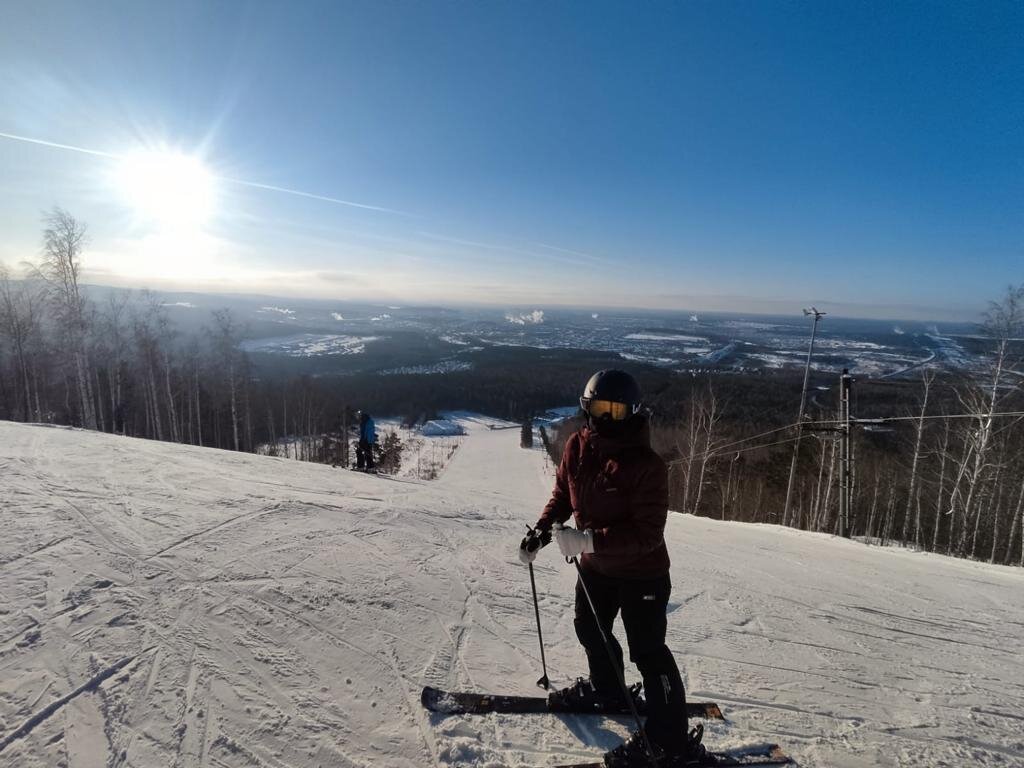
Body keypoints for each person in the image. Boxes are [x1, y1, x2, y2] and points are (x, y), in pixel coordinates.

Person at [518, 369, 703, 767]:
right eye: (599, 408)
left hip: (643, 573)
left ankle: (670, 741)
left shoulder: (647, 465)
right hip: (597, 569)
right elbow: (563, 497)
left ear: (632, 412)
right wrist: (541, 532)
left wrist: (588, 540)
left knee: (649, 653)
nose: (606, 418)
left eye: (616, 410)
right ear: (587, 408)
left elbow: (647, 534)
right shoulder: (577, 446)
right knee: (590, 628)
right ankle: (609, 689)